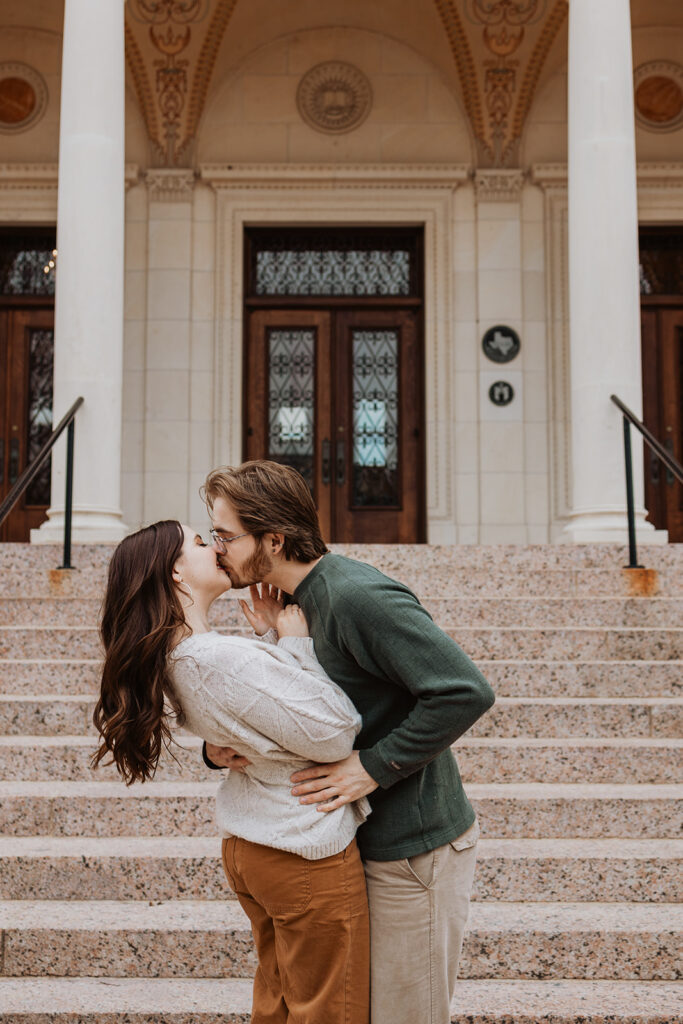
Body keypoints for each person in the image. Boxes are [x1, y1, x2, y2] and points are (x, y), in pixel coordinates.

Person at [201, 460, 496, 1024]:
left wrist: (373, 766)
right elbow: (309, 709)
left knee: (405, 1016)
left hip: (413, 850)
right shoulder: (297, 605)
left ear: (274, 539)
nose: (216, 549)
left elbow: (464, 690)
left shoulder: (358, 596)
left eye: (225, 535)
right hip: (355, 842)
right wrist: (217, 748)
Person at [91, 519, 370, 1024]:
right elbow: (335, 733)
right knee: (331, 1010)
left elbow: (253, 718)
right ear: (177, 574)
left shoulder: (183, 652)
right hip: (300, 848)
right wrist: (295, 645)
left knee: (280, 1003)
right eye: (201, 542)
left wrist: (268, 637)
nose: (216, 546)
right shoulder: (217, 657)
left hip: (259, 843)